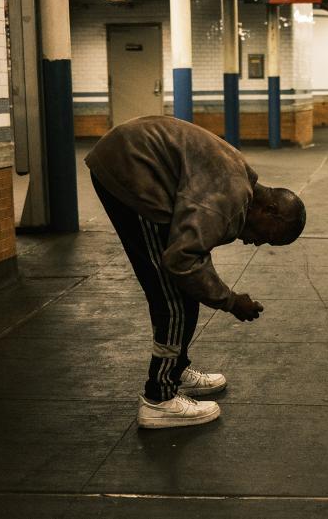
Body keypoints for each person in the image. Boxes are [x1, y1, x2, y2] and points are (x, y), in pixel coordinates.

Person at [86, 115, 306, 429]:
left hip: (133, 159)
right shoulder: (227, 199)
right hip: (131, 170)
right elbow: (183, 260)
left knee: (183, 290)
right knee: (174, 300)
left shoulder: (241, 186)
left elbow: (194, 246)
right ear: (269, 210)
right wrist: (230, 301)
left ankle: (175, 369)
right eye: (267, 236)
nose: (256, 242)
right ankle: (159, 399)